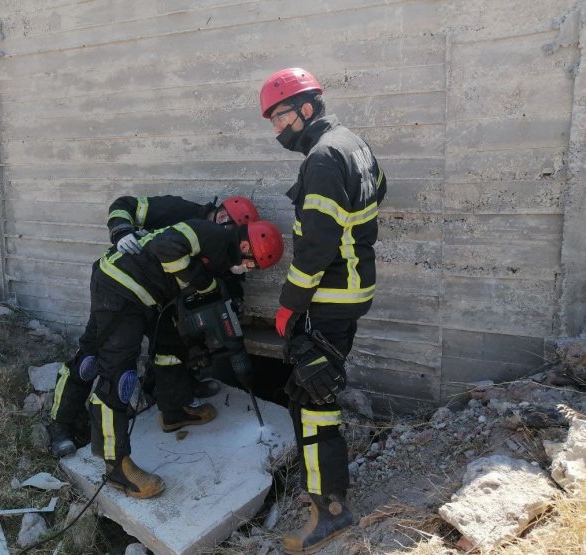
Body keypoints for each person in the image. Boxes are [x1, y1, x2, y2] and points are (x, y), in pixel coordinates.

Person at [259, 67, 387, 554]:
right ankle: (322, 491)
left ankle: (330, 511)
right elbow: (377, 194)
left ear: (306, 109)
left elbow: (314, 247)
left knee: (314, 396)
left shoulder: (323, 157)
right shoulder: (354, 145)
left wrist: (289, 307)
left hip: (328, 298)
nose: (276, 129)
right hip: (351, 288)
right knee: (309, 389)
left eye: (279, 117)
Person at [48, 195, 261, 458]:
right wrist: (121, 230)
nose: (223, 229)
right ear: (220, 213)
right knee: (92, 359)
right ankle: (61, 425)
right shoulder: (179, 211)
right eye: (223, 222)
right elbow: (124, 205)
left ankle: (174, 409)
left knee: (172, 352)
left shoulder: (223, 247)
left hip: (162, 297)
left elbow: (218, 282)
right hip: (125, 284)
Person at [86, 218, 283, 498]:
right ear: (243, 246)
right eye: (251, 264)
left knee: (172, 351)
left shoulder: (223, 257)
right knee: (118, 378)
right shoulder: (211, 235)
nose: (247, 269)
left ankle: (174, 412)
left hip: (152, 297)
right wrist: (204, 282)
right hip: (119, 288)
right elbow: (164, 247)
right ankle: (116, 466)